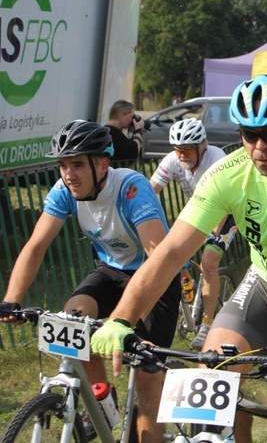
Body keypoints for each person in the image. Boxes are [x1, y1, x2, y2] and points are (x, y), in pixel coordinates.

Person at [90, 74, 267, 442]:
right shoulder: (227, 175)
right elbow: (171, 253)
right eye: (249, 135)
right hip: (265, 287)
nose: (260, 147)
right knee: (211, 380)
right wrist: (122, 318)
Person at [0, 120, 179, 442]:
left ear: (103, 164)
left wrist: (125, 320)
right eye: (63, 165)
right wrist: (12, 299)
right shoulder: (64, 191)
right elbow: (36, 246)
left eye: (78, 165)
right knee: (73, 320)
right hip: (110, 272)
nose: (69, 174)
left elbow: (158, 260)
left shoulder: (131, 189)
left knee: (146, 378)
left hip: (153, 277)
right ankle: (103, 401)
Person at [149, 118, 237, 350]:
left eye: (187, 149)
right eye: (178, 150)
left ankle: (207, 325)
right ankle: (186, 285)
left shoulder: (218, 160)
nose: (182, 155)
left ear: (202, 146)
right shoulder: (173, 159)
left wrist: (211, 237)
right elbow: (149, 193)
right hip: (199, 211)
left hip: (227, 212)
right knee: (169, 251)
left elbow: (223, 205)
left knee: (208, 262)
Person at [105, 99, 145, 166]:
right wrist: (138, 131)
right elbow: (133, 152)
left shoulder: (106, 131)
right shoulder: (115, 133)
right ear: (121, 116)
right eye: (132, 117)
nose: (132, 120)